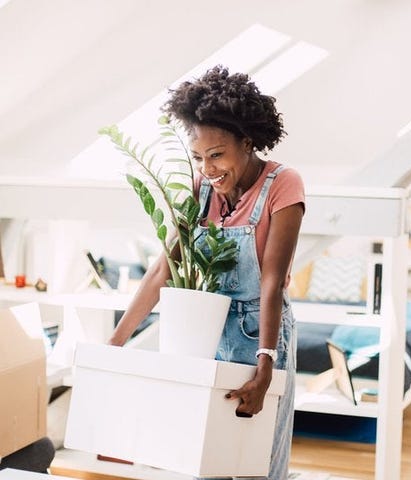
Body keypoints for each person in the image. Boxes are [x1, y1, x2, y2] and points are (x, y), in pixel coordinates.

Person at [109, 65, 305, 479]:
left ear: (247, 142)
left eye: (216, 155)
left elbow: (271, 283)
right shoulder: (201, 190)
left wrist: (264, 368)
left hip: (261, 335)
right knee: (206, 460)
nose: (207, 168)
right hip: (206, 335)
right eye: (198, 157)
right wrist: (114, 342)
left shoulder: (283, 185)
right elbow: (164, 269)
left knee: (257, 462)